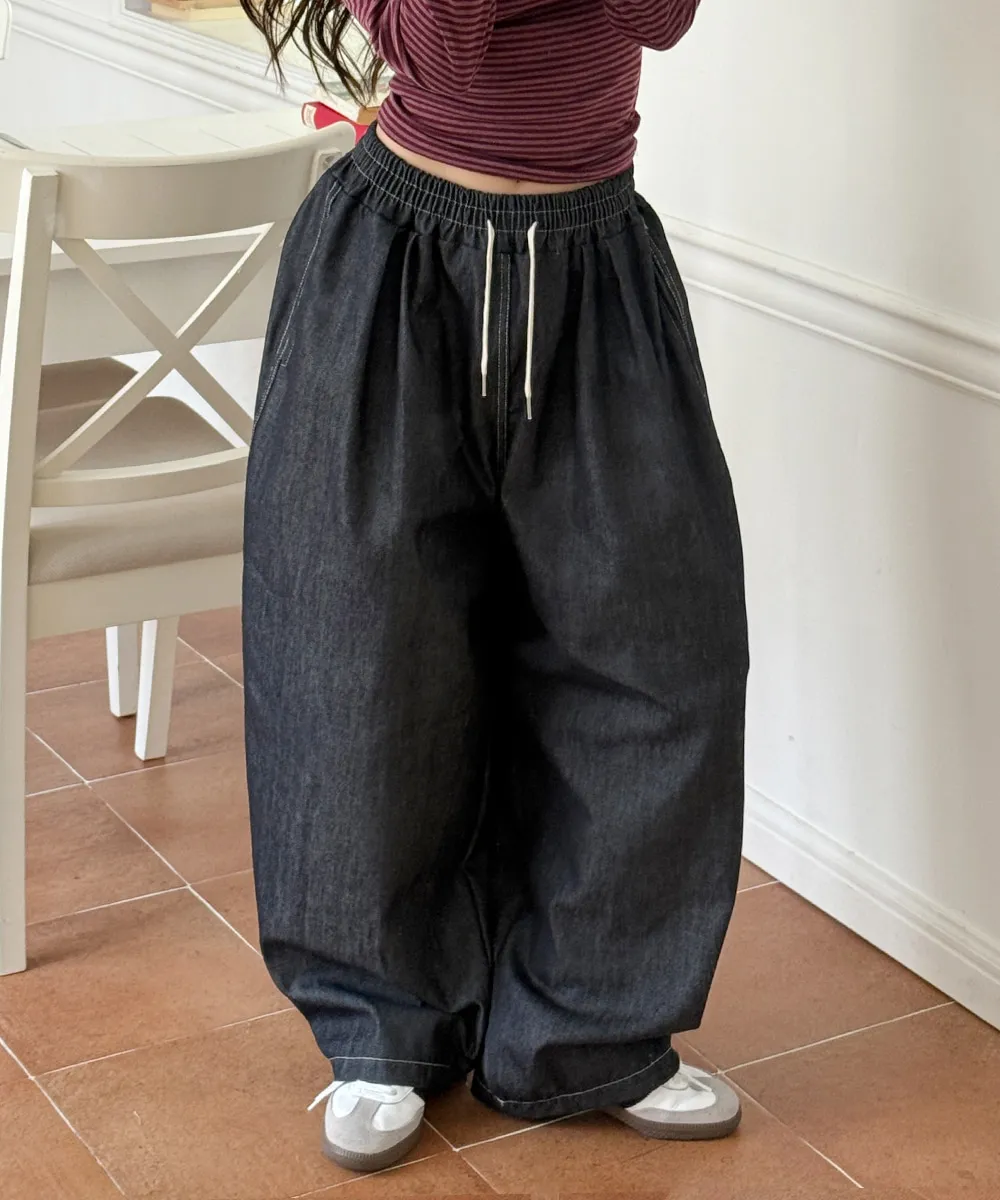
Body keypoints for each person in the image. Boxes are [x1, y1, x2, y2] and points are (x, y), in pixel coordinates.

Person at [238, 0, 749, 1174]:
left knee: (657, 661)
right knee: (359, 664)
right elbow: (443, 42)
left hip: (598, 263)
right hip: (392, 262)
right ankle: (381, 1031)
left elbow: (661, 15)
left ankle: (594, 1032)